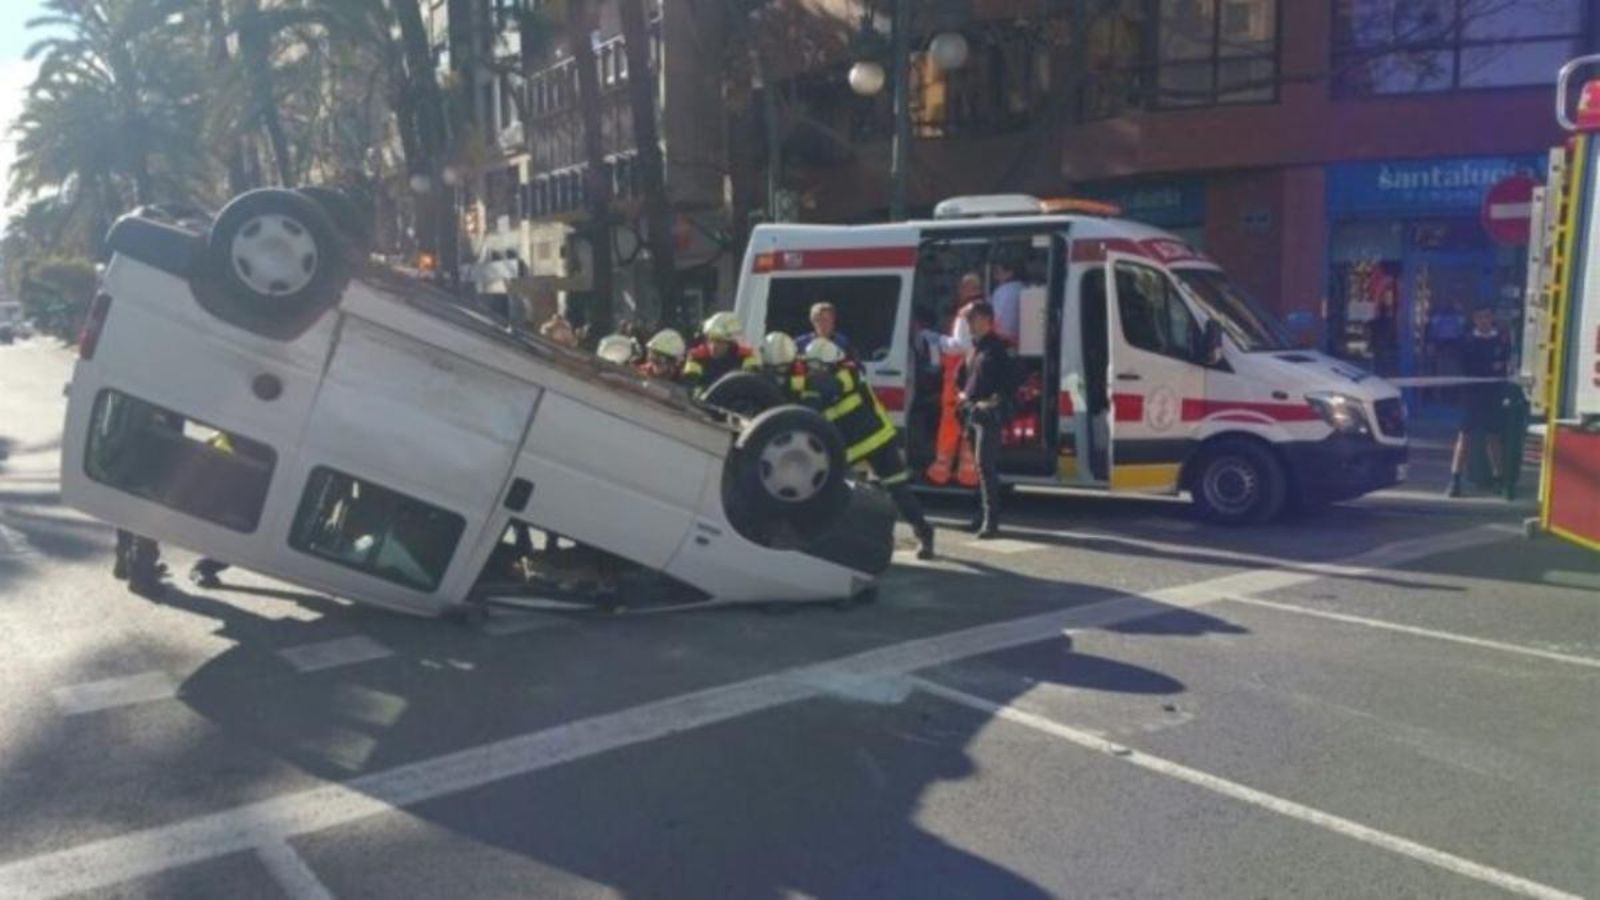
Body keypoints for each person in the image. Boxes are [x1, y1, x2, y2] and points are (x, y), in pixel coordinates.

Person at [796, 338, 935, 560]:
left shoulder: (848, 373)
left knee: (898, 491)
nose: (811, 370)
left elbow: (832, 386)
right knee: (834, 492)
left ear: (829, 363)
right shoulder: (818, 383)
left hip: (877, 441)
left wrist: (804, 383)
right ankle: (830, 541)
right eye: (809, 366)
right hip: (853, 448)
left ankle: (924, 533)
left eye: (815, 366)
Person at [960, 301, 1015, 538]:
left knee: (985, 467)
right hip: (973, 413)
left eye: (972, 319)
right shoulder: (976, 347)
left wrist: (991, 402)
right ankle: (980, 517)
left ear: (985, 320)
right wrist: (963, 395)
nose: (969, 324)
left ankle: (991, 522)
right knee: (979, 467)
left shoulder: (996, 349)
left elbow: (1009, 384)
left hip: (989, 415)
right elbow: (969, 379)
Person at [926, 273, 985, 486]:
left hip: (958, 378)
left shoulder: (965, 312)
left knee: (951, 424)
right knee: (971, 425)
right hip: (977, 375)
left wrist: (936, 339)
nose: (959, 292)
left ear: (969, 288)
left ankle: (940, 471)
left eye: (962, 287)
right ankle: (968, 474)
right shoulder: (987, 310)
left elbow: (959, 346)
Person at [1446, 305, 1511, 498]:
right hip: (1471, 396)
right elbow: (1462, 366)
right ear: (1474, 320)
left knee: (1494, 437)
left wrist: (1498, 374)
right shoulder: (1466, 341)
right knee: (1464, 437)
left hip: (1493, 395)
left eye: (1487, 317)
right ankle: (1455, 480)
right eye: (1480, 317)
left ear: (1492, 318)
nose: (1484, 321)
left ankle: (1499, 479)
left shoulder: (1501, 340)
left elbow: (1505, 364)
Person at [682, 311, 760, 389]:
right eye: (710, 340)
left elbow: (754, 385)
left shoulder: (746, 357)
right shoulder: (697, 357)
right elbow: (689, 386)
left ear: (731, 343)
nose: (713, 346)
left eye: (719, 341)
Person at [988, 255, 1023, 342]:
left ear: (1010, 273)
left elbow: (995, 316)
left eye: (998, 272)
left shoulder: (1002, 291)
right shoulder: (1023, 288)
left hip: (1003, 338)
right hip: (1022, 338)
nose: (995, 276)